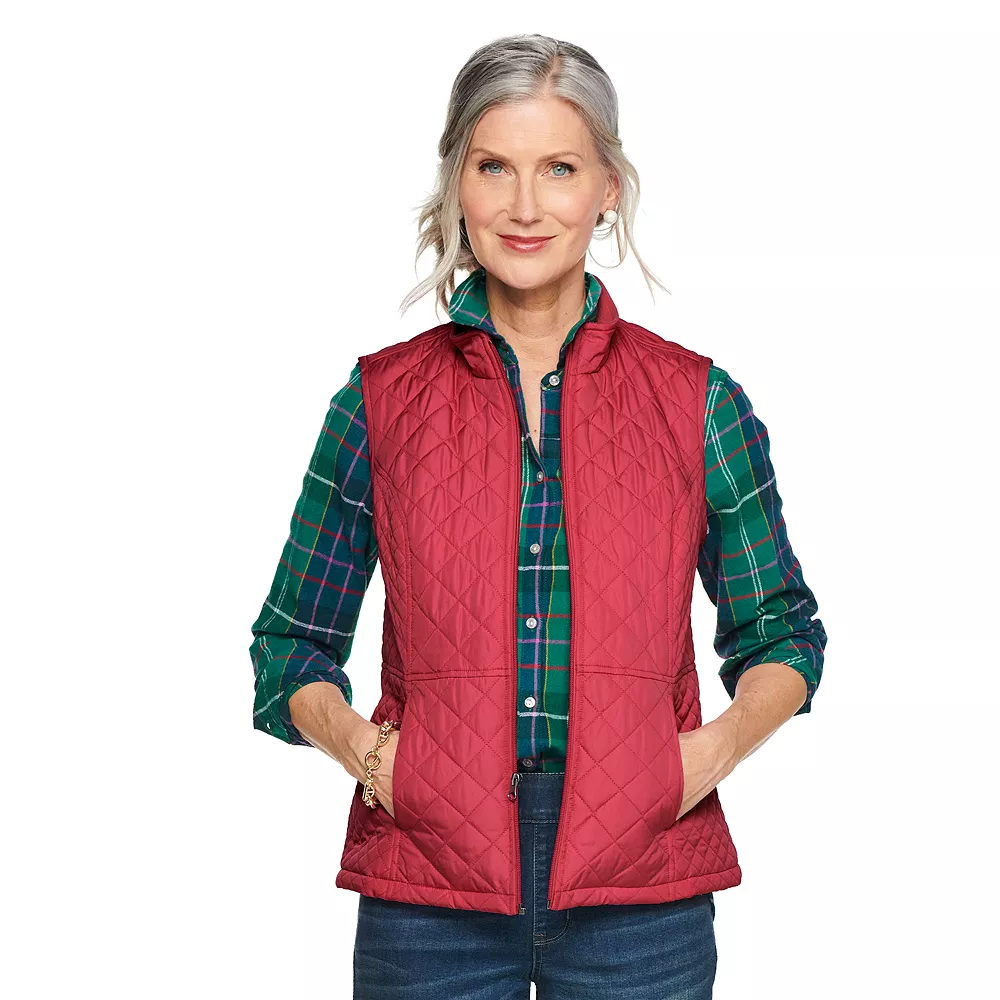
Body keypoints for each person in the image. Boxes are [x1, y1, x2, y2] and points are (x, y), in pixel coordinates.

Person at [249, 33, 826, 1000]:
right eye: (494, 168)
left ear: (607, 189)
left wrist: (702, 759)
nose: (525, 206)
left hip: (643, 890)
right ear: (457, 185)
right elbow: (290, 643)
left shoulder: (697, 402)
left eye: (559, 168)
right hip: (428, 891)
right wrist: (371, 756)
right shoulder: (377, 403)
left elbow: (783, 634)